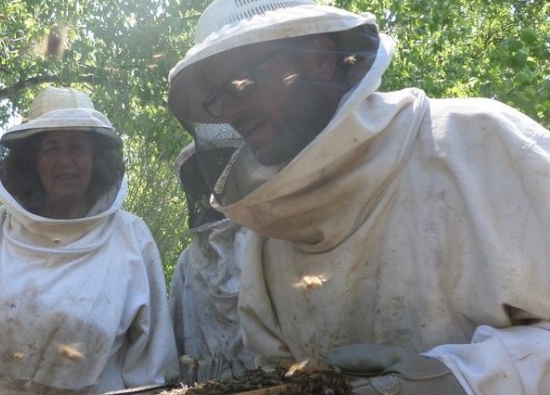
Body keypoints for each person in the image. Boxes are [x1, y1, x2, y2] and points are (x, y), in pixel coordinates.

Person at [167, 0, 550, 394]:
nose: (230, 111)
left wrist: (463, 378)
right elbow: (279, 372)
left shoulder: (480, 142)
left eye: (241, 84)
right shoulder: (268, 230)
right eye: (217, 98)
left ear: (319, 58)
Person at [0, 87, 178, 394]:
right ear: (31, 161)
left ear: (96, 159)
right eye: (51, 148)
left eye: (77, 147)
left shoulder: (132, 237)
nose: (65, 161)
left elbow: (151, 364)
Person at [168, 126, 257, 384]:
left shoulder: (267, 241)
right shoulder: (189, 260)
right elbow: (173, 341)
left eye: (221, 170)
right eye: (206, 174)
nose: (214, 182)